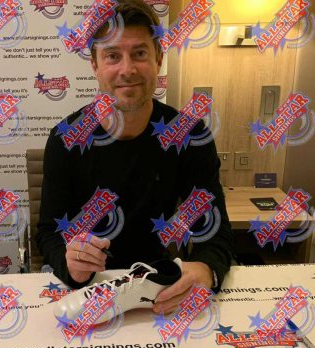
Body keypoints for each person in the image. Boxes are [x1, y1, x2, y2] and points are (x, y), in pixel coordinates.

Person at [36, 0, 234, 314]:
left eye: (139, 53)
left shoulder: (189, 135)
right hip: (90, 293)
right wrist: (68, 263)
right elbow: (49, 232)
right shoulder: (65, 139)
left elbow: (215, 229)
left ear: (158, 59)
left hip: (159, 290)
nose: (127, 69)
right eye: (112, 56)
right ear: (95, 65)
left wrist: (207, 269)